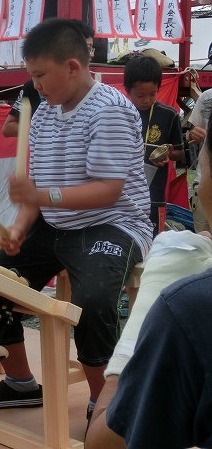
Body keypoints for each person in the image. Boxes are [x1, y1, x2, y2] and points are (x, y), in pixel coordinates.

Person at [0, 18, 152, 423]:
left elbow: (108, 189)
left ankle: (106, 403)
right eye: (31, 76)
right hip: (57, 222)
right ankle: (21, 382)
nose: (35, 85)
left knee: (91, 301)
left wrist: (40, 197)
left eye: (40, 75)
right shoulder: (42, 115)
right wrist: (19, 227)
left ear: (72, 67)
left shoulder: (109, 110)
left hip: (113, 222)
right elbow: (35, 191)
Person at [85, 132, 212, 449]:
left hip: (122, 232)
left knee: (94, 298)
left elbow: (102, 442)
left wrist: (156, 292)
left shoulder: (189, 308)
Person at [123, 56, 184, 237]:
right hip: (123, 195)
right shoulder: (120, 113)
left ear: (159, 87)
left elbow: (180, 153)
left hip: (154, 196)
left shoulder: (169, 115)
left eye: (152, 93)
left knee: (153, 240)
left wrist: (169, 155)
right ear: (128, 90)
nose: (146, 100)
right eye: (140, 95)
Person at [1, 20, 95, 137]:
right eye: (87, 48)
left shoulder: (106, 110)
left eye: (91, 48)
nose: (90, 54)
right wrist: (41, 129)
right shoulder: (41, 113)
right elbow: (8, 127)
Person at [187, 87, 212, 233]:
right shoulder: (207, 97)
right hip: (205, 184)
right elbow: (191, 135)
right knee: (205, 247)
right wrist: (192, 135)